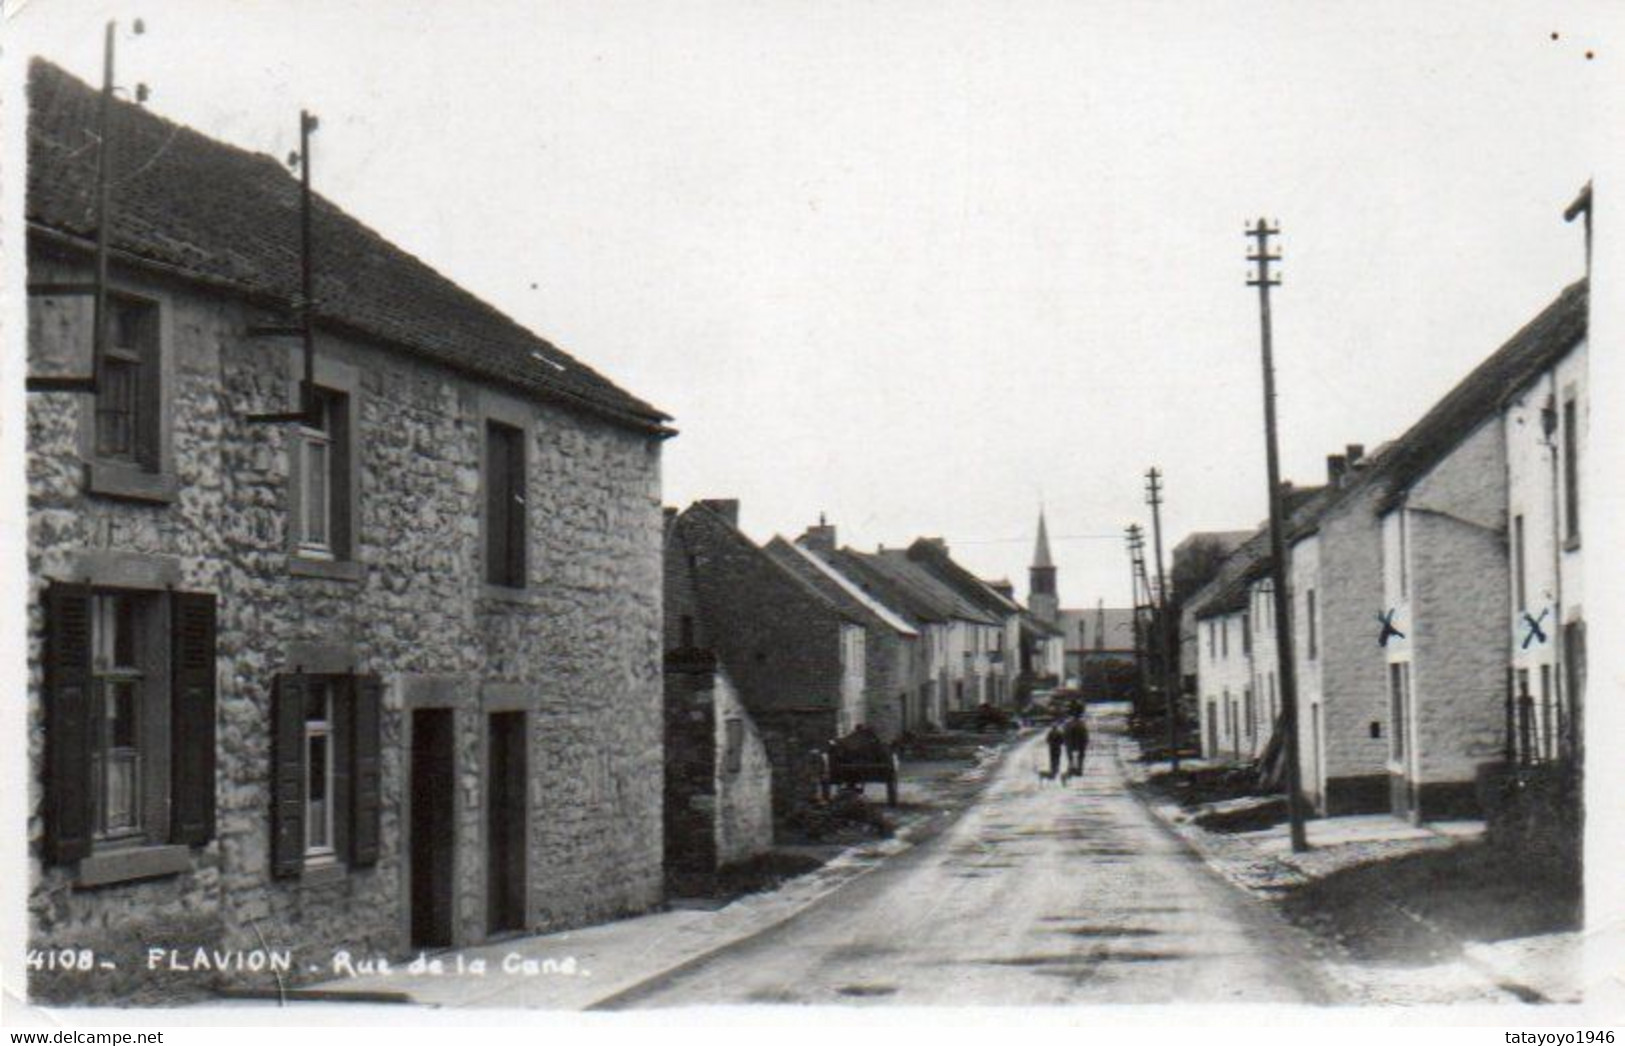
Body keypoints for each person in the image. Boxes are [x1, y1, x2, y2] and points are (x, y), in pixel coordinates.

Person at [1064, 711, 1090, 776]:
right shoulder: (1082, 724)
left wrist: (1065, 742)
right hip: (1080, 743)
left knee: (1070, 755)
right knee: (1081, 756)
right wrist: (1086, 741)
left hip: (1070, 743)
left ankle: (1071, 766)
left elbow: (1065, 735)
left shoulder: (1068, 724)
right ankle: (1079, 768)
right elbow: (1085, 735)